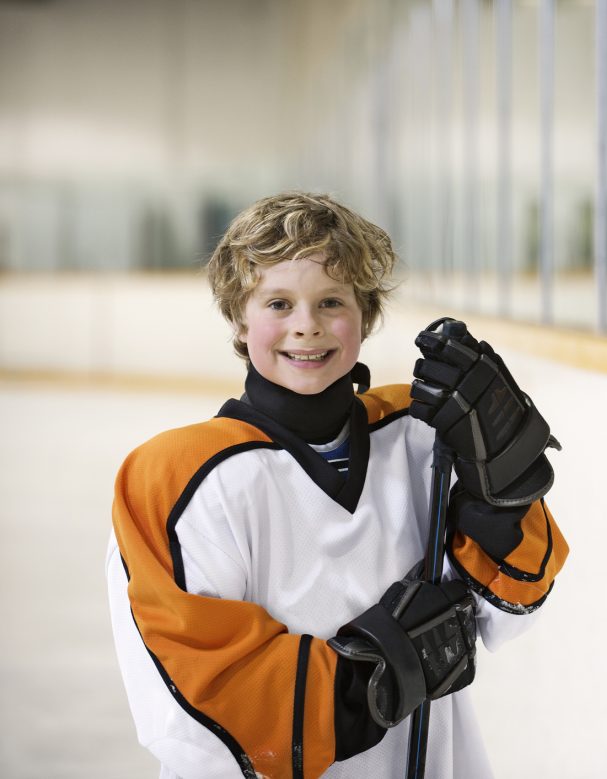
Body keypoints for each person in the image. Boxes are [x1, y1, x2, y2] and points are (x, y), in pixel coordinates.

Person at [106, 192, 568, 779]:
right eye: (279, 303)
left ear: (365, 317)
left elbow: (504, 611)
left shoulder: (425, 430)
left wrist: (505, 493)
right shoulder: (177, 477)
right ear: (239, 319)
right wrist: (378, 674)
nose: (307, 325)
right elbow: (199, 705)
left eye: (331, 301)